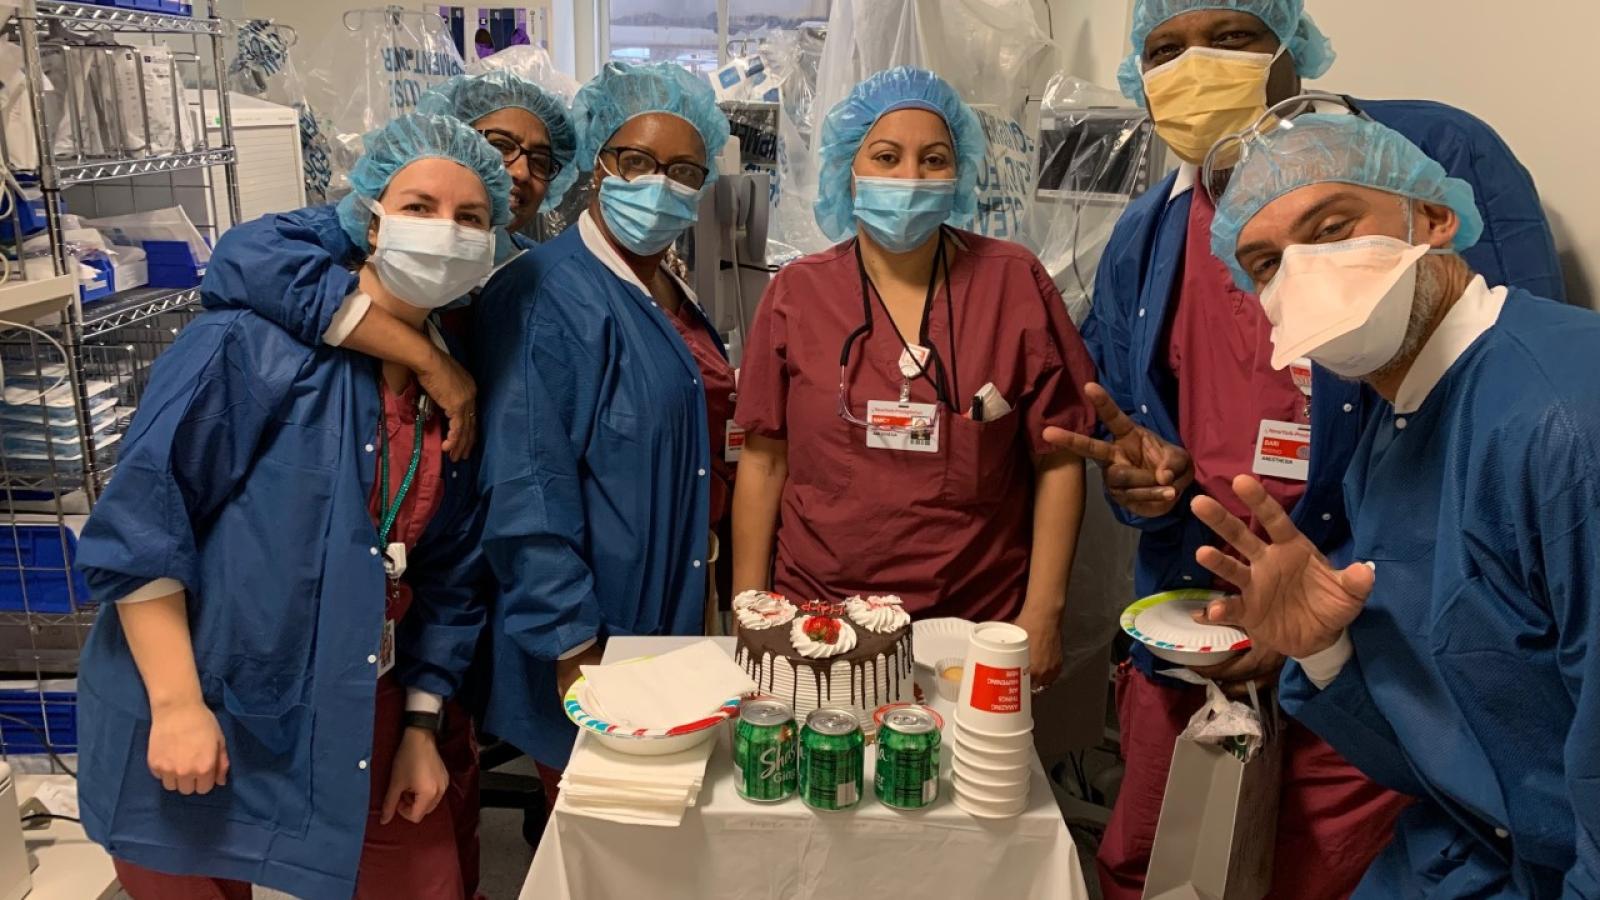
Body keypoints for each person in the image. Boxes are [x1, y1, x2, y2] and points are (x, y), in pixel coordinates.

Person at [1069, 2, 1566, 897]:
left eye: (1231, 36)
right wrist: (1144, 484)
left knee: (1326, 871)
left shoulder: (1421, 155)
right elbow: (1131, 428)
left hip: (1379, 632)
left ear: (1291, 42)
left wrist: (1326, 617)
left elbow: (1490, 394)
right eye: (1164, 49)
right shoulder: (1145, 238)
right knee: (1152, 864)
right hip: (1197, 625)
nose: (1196, 66)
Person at [73, 114, 509, 900]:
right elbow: (140, 526)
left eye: (470, 218)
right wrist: (175, 706)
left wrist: (418, 725)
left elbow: (449, 573)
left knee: (424, 879)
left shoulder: (458, 387)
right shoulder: (248, 346)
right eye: (419, 206)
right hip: (199, 696)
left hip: (356, 706)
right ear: (368, 219)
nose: (445, 231)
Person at [1196, 111, 1599, 898]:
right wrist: (1324, 650)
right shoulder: (1399, 418)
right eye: (1266, 263)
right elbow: (1446, 755)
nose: (1303, 275)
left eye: (1333, 227)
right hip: (1474, 855)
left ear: (1436, 219)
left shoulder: (1564, 417)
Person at [730, 67, 1096, 689]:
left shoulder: (1012, 283)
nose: (909, 177)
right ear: (850, 167)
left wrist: (1044, 612)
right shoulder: (798, 293)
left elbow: (1059, 458)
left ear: (959, 173)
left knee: (973, 782)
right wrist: (748, 606)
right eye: (886, 156)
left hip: (974, 620)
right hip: (815, 616)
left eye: (933, 159)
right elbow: (764, 462)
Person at [472, 60, 732, 797]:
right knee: (605, 838)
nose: (661, 184)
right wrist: (572, 646)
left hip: (665, 613)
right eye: (638, 161)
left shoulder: (658, 279)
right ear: (596, 167)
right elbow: (527, 486)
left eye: (685, 170)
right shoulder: (542, 293)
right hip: (592, 636)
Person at [201, 68, 578, 462]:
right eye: (500, 145)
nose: (520, 171)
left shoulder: (529, 268)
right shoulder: (366, 225)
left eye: (540, 161)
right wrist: (427, 358)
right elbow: (248, 258)